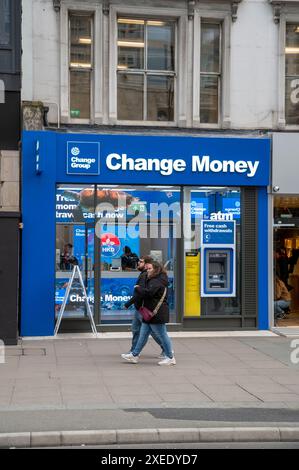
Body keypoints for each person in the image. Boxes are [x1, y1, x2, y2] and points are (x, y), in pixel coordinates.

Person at [121, 261, 176, 366]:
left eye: (150, 269)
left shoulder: (157, 281)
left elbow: (149, 293)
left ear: (156, 269)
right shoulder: (154, 279)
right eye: (147, 269)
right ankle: (134, 355)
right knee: (143, 334)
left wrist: (138, 288)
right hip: (149, 313)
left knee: (162, 335)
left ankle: (170, 357)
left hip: (156, 313)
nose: (147, 271)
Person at [123, 256, 165, 357]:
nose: (138, 263)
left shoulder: (145, 275)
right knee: (137, 330)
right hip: (140, 308)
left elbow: (140, 293)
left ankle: (166, 349)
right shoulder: (144, 274)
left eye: (141, 262)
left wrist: (128, 303)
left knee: (151, 332)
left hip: (142, 308)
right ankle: (134, 352)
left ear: (146, 265)